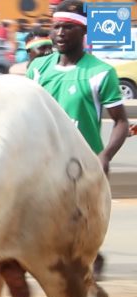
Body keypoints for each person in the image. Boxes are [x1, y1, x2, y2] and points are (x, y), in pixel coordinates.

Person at [27, 0, 130, 279]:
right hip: (45, 163)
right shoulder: (38, 69)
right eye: (56, 27)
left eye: (68, 28)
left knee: (78, 230)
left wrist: (105, 155)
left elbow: (121, 121)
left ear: (83, 32)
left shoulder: (100, 73)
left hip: (84, 165)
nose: (60, 33)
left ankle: (85, 278)